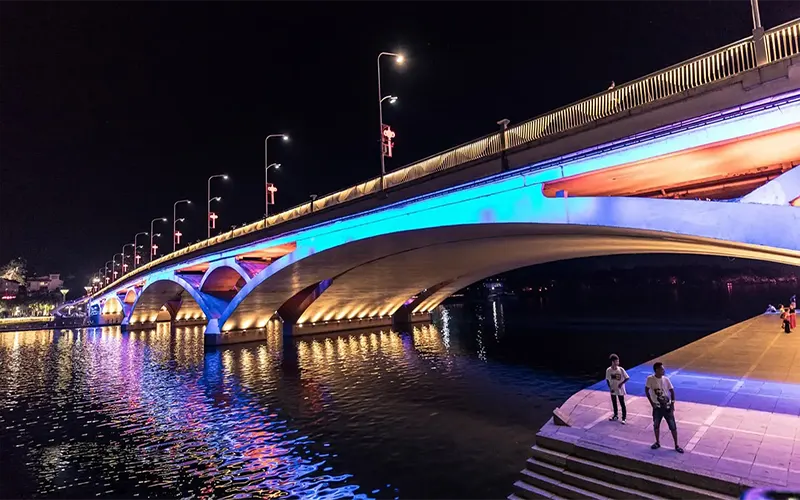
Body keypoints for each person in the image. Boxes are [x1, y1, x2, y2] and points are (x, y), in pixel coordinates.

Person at [645, 362, 683, 453]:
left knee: (673, 426)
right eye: (662, 369)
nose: (663, 370)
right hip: (657, 407)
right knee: (656, 425)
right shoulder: (650, 379)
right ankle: (657, 442)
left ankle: (676, 445)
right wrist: (652, 403)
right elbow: (646, 390)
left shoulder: (666, 379)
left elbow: (672, 391)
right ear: (657, 370)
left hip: (667, 407)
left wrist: (672, 403)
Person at [606, 354, 629, 424]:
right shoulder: (608, 370)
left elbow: (627, 378)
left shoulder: (621, 369)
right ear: (613, 362)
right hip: (613, 389)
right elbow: (607, 379)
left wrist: (621, 384)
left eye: (618, 361)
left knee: (622, 403)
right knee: (614, 403)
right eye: (616, 361)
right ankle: (615, 415)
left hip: (620, 390)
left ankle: (624, 418)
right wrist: (610, 388)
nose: (618, 362)